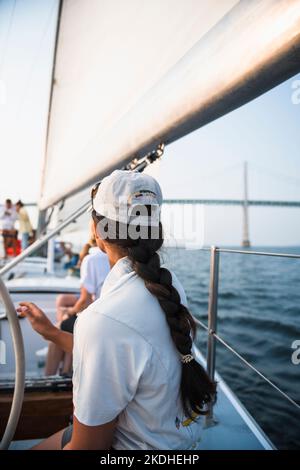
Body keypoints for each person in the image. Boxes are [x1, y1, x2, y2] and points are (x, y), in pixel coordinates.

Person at [18, 170, 216, 450]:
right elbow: (124, 353)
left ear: (97, 232)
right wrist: (51, 333)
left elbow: (89, 447)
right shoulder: (170, 287)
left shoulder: (102, 320)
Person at [45, 239, 110, 376]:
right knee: (68, 322)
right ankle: (66, 369)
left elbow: (85, 301)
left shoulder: (91, 260)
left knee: (58, 331)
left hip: (100, 319)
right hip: (107, 315)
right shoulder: (117, 259)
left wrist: (70, 311)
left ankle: (49, 379)